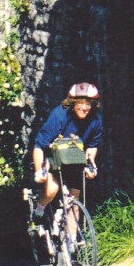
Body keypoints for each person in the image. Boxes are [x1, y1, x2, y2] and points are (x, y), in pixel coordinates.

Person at [31, 82, 102, 230]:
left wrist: (90, 165)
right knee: (52, 190)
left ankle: (71, 246)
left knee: (74, 201)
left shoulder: (95, 120)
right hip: (54, 158)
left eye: (89, 103)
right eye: (80, 103)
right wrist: (39, 171)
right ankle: (39, 209)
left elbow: (92, 146)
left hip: (74, 160)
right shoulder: (59, 115)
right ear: (72, 103)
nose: (84, 107)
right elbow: (39, 145)